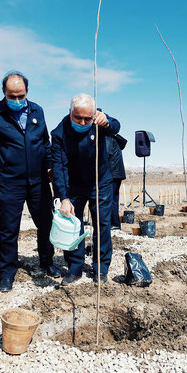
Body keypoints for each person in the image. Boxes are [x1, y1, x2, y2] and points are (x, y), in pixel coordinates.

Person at [0, 70, 59, 292]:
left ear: (27, 91)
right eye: (12, 96)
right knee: (9, 228)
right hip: (11, 181)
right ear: (4, 93)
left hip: (39, 180)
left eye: (21, 95)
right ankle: (8, 272)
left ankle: (47, 262)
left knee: (45, 224)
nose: (17, 100)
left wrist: (49, 165)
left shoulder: (38, 110)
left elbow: (45, 142)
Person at [50, 93, 120, 285]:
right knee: (73, 225)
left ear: (94, 115)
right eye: (77, 117)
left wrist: (105, 123)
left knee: (102, 224)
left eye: (87, 119)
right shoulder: (59, 133)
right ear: (70, 113)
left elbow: (116, 126)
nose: (82, 122)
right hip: (73, 185)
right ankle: (75, 268)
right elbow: (58, 167)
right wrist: (64, 197)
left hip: (101, 182)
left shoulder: (100, 123)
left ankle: (101, 268)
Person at [105, 133, 127, 230]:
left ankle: (114, 223)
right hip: (117, 173)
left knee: (111, 199)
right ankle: (115, 223)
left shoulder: (108, 138)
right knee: (114, 199)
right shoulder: (114, 138)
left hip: (112, 173)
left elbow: (106, 155)